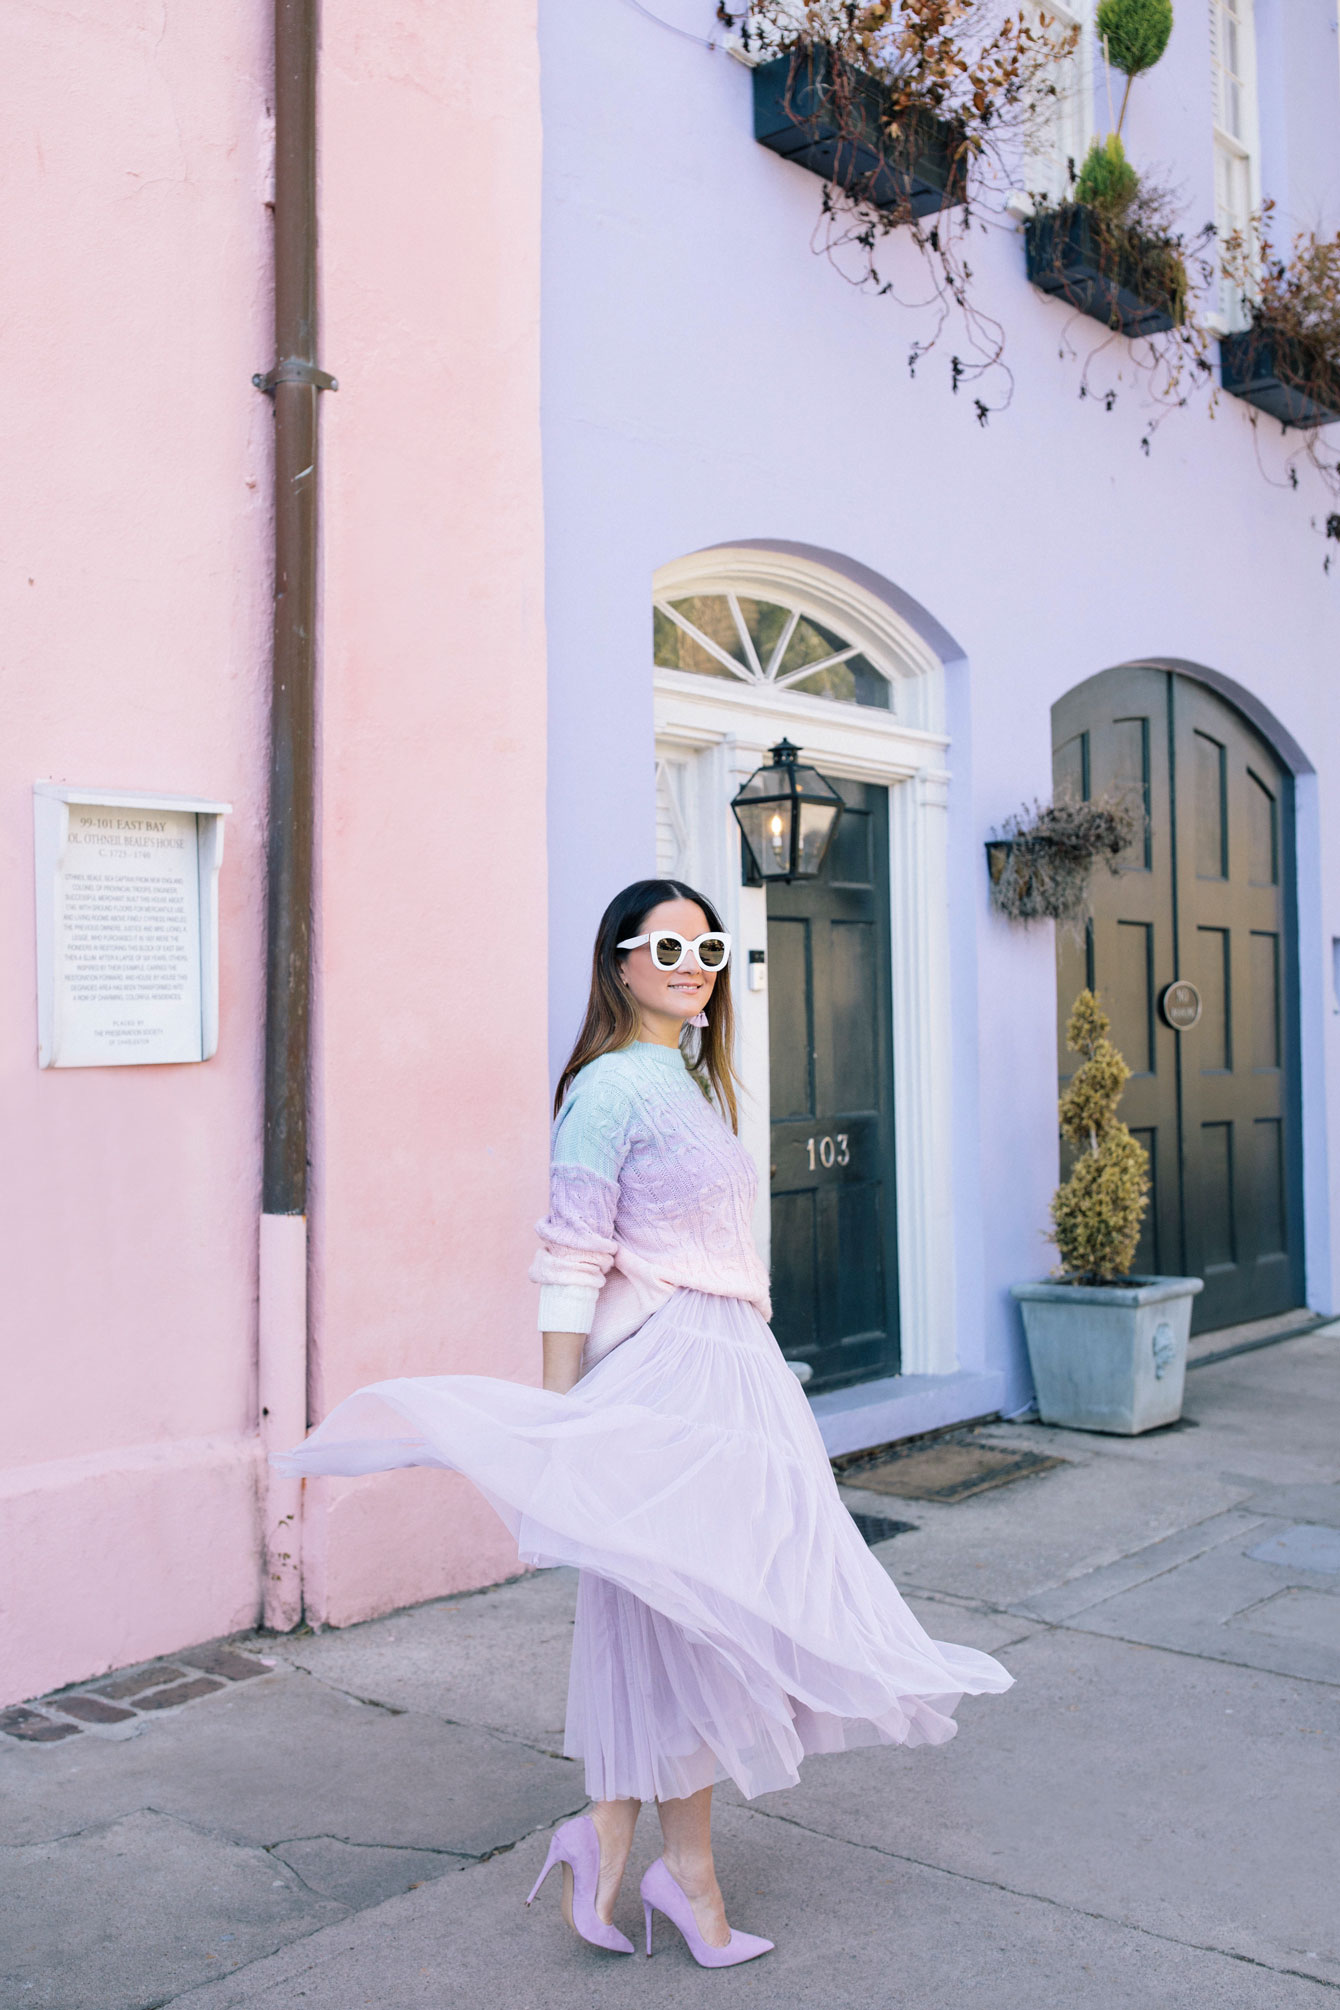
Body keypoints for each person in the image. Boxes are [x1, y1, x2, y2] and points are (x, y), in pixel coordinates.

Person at [273, 878, 1012, 1967]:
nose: (688, 959)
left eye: (705, 943)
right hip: (672, 1376)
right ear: (616, 963)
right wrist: (561, 1414)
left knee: (675, 1618)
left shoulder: (685, 1080)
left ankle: (619, 1839)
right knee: (696, 1617)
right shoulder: (609, 1088)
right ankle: (682, 1876)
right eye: (662, 944)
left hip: (727, 1370)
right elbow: (571, 1255)